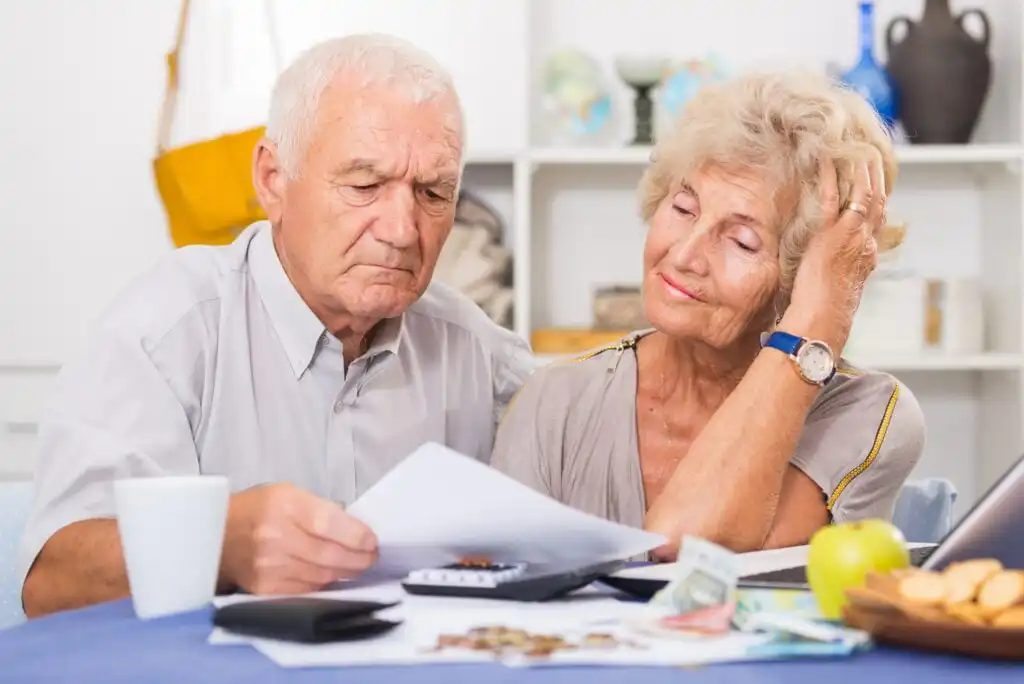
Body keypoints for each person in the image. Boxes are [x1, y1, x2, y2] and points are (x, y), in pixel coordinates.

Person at [19, 33, 534, 617]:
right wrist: (219, 546)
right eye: (364, 185)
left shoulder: (472, 346)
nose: (402, 230)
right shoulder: (167, 332)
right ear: (272, 179)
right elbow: (51, 583)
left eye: (433, 192)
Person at [492, 70, 926, 560]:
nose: (685, 255)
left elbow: (687, 548)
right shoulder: (557, 402)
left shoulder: (866, 414)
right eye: (683, 208)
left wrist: (819, 320)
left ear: (805, 278)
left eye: (741, 241)